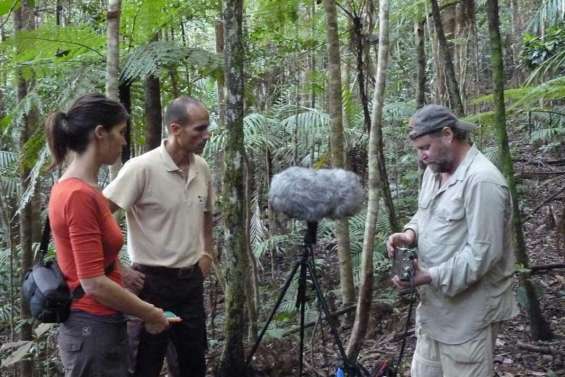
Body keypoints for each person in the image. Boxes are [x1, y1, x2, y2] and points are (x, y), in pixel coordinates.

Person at [45, 94, 174, 377]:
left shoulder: (82, 189)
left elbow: (91, 260)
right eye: (120, 133)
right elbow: (93, 283)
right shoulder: (77, 195)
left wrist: (120, 270)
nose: (124, 141)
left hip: (99, 324)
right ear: (100, 134)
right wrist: (149, 313)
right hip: (91, 326)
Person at [386, 104, 518, 377]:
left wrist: (428, 276)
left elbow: (483, 254)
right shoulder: (434, 172)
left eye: (425, 147)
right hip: (434, 314)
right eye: (418, 150)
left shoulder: (482, 181)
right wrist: (410, 233)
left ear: (448, 135)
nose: (422, 157)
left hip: (468, 317)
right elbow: (426, 214)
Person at [103, 96, 215, 377]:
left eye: (206, 128)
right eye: (199, 129)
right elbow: (97, 216)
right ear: (175, 129)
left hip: (190, 282)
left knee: (192, 364)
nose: (206, 135)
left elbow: (206, 212)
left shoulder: (201, 167)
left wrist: (207, 253)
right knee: (143, 363)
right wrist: (117, 267)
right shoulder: (141, 168)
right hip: (150, 284)